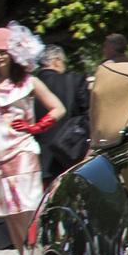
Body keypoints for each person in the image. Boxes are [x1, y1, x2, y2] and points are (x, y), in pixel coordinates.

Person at [0, 25, 66, 255]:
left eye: (3, 51)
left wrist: (35, 127)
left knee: (27, 212)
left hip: (23, 152)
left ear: (14, 52)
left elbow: (58, 108)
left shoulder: (29, 82)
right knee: (9, 216)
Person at [33, 46, 90, 183]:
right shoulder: (74, 81)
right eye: (63, 62)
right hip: (72, 154)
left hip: (39, 161)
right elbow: (89, 115)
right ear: (56, 61)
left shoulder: (27, 86)